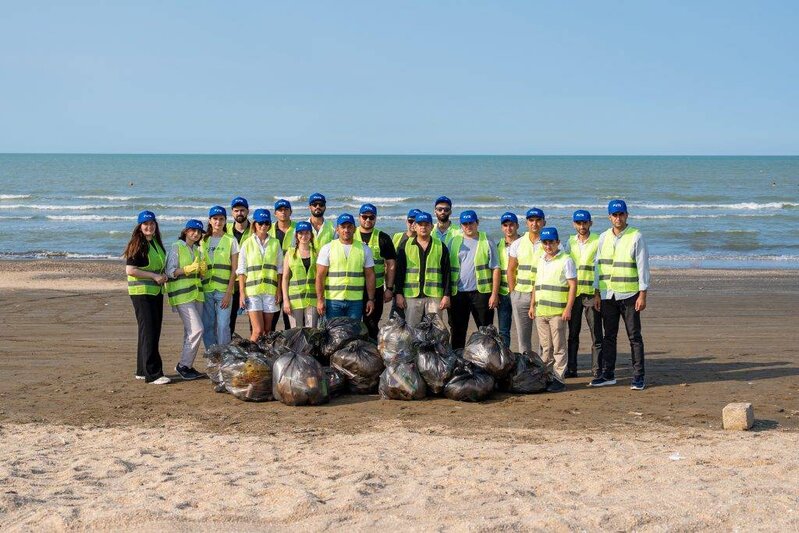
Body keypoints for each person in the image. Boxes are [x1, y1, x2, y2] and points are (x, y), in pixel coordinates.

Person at [590, 199, 650, 390]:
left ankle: (638, 377)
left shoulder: (636, 236)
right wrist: (597, 292)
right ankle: (608, 374)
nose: (618, 218)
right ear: (609, 217)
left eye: (621, 214)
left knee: (634, 337)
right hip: (609, 295)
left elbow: (643, 267)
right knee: (609, 336)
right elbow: (598, 267)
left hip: (630, 295)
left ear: (626, 215)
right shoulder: (603, 237)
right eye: (614, 215)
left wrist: (643, 294)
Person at [528, 227, 577, 392]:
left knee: (559, 347)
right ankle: (547, 377)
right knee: (545, 347)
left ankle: (559, 379)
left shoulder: (566, 260)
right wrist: (532, 305)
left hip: (557, 312)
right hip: (541, 311)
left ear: (558, 242)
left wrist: (568, 308)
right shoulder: (541, 259)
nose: (548, 246)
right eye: (545, 242)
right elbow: (536, 284)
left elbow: (572, 285)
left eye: (551, 242)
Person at [124, 210, 170, 385]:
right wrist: (154, 276)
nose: (149, 226)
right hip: (142, 294)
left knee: (146, 332)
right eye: (145, 224)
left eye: (152, 224)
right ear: (140, 227)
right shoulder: (138, 244)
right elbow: (130, 270)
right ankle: (153, 374)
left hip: (155, 293)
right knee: (150, 332)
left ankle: (142, 370)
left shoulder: (155, 243)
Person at [448, 210, 501, 350]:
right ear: (461, 225)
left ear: (477, 223)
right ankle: (458, 361)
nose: (468, 226)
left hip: (481, 294)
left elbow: (495, 268)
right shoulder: (454, 242)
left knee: (486, 333)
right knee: (457, 332)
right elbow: (447, 269)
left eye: (471, 223)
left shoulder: (486, 240)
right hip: (458, 294)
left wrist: (494, 294)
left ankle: (487, 363)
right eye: (465, 224)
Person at [165, 219, 207, 381]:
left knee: (189, 332)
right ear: (185, 231)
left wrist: (202, 272)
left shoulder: (197, 250)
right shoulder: (177, 247)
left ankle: (187, 366)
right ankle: (183, 365)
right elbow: (170, 272)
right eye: (192, 230)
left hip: (197, 294)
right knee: (197, 330)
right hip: (182, 295)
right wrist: (186, 270)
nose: (195, 234)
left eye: (198, 232)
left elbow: (199, 275)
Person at [563, 209, 603, 378]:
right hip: (574, 295)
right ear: (574, 224)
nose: (582, 226)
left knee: (596, 334)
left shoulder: (598, 241)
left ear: (590, 223)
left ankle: (597, 370)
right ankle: (572, 369)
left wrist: (598, 293)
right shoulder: (570, 242)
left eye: (585, 223)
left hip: (591, 295)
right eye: (578, 223)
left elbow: (601, 269)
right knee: (573, 335)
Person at [394, 211, 452, 327]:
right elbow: (399, 272)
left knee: (436, 330)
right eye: (420, 224)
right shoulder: (405, 245)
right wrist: (398, 293)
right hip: (411, 296)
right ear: (415, 227)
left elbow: (447, 273)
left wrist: (446, 295)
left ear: (431, 227)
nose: (423, 227)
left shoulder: (440, 246)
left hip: (434, 296)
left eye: (426, 224)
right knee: (411, 329)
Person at [315, 213, 376, 320]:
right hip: (333, 301)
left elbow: (370, 275)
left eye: (349, 227)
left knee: (352, 333)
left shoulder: (364, 249)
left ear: (355, 229)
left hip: (355, 301)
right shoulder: (327, 248)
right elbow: (320, 276)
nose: (346, 230)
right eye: (343, 227)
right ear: (337, 230)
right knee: (334, 333)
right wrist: (320, 300)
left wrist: (371, 299)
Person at [237, 209, 284, 341]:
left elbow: (279, 269)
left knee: (267, 331)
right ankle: (250, 359)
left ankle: (262, 359)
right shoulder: (247, 244)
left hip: (270, 291)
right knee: (257, 331)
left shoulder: (275, 243)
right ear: (255, 224)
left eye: (267, 223)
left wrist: (278, 291)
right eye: (260, 223)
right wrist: (242, 293)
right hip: (252, 292)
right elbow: (241, 271)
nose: (263, 226)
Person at [354, 203, 397, 340]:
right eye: (364, 217)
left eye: (371, 217)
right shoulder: (349, 234)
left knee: (372, 324)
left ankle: (371, 353)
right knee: (353, 325)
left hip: (376, 289)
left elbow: (391, 264)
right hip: (354, 289)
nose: (367, 220)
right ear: (359, 217)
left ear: (376, 218)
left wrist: (389, 288)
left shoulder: (383, 238)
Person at [507, 207, 546, 354]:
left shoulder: (549, 243)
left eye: (538, 220)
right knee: (523, 338)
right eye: (531, 220)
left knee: (545, 338)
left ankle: (544, 368)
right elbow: (510, 269)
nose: (534, 224)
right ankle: (526, 368)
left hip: (543, 296)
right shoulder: (518, 243)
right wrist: (513, 293)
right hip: (521, 294)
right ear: (526, 223)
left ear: (543, 222)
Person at [200, 205, 239, 348]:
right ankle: (212, 356)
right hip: (206, 289)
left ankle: (224, 356)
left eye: (221, 219)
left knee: (223, 325)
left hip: (224, 290)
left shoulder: (231, 240)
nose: (218, 222)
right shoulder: (203, 240)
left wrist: (229, 292)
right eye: (215, 219)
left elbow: (235, 268)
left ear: (225, 221)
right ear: (210, 221)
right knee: (208, 325)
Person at [281, 221, 319, 328]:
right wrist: (286, 300)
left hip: (312, 298)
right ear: (296, 235)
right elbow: (285, 278)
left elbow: (320, 278)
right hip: (295, 298)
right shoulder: (290, 253)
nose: (304, 236)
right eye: (301, 233)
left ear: (311, 235)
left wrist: (321, 299)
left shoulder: (316, 253)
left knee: (311, 331)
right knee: (296, 331)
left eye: (307, 233)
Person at [225, 196, 252, 335]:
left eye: (242, 210)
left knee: (253, 321)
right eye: (236, 210)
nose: (239, 213)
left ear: (248, 211)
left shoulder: (256, 229)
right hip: (230, 282)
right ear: (232, 213)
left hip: (250, 282)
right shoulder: (226, 230)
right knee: (229, 320)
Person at [269, 198, 297, 330]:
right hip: (272, 280)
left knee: (290, 321)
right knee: (271, 320)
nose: (283, 212)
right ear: (275, 213)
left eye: (286, 209)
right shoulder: (268, 231)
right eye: (280, 210)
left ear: (291, 211)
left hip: (292, 280)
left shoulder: (299, 229)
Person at [496, 212, 520, 349]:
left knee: (523, 329)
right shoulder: (498, 245)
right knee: (504, 331)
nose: (508, 228)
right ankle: (505, 358)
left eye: (511, 225)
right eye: (505, 225)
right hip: (503, 293)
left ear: (517, 226)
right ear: (502, 228)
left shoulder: (523, 244)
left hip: (520, 292)